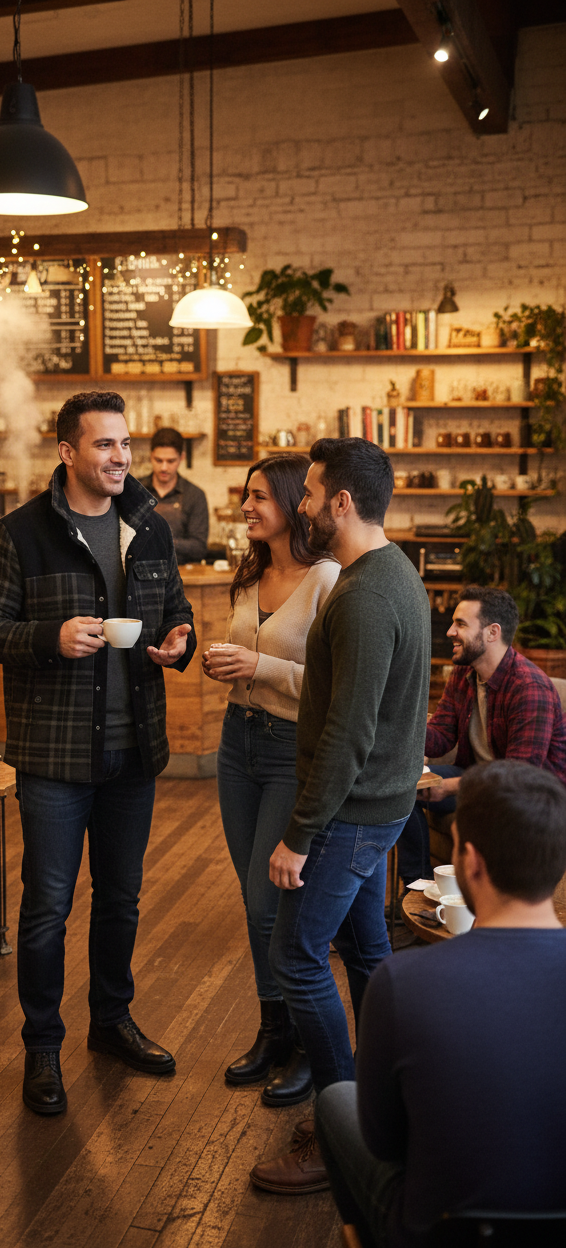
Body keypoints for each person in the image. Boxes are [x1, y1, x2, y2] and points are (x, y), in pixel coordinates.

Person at [0, 390, 196, 1115]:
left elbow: (177, 607)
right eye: (105, 445)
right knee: (48, 907)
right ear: (67, 452)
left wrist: (180, 640)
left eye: (124, 444)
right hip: (55, 757)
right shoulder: (20, 534)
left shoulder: (148, 526)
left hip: (134, 754)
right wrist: (49, 637)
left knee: (121, 900)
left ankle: (111, 1022)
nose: (121, 457)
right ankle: (41, 1047)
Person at [249, 437, 431, 1194]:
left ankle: (338, 1126)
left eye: (314, 493)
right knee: (363, 956)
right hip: (378, 810)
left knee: (295, 957)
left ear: (342, 505)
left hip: (351, 816)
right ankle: (391, 1106)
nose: (305, 506)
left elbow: (350, 736)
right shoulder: (396, 573)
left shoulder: (361, 597)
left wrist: (298, 835)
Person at [315, 759, 566, 1248]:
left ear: (470, 862)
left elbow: (384, 1143)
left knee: (334, 1100)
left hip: (443, 1231)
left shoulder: (400, 981)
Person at [202, 455, 339, 1104]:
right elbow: (249, 662)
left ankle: (307, 1041)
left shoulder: (329, 581)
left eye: (260, 496)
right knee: (252, 902)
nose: (248, 506)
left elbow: (333, 686)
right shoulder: (249, 574)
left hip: (291, 752)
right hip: (238, 746)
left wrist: (259, 666)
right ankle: (273, 1030)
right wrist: (225, 666)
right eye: (245, 495)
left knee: (267, 906)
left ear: (293, 503)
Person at [396, 585, 566, 885]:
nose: (449, 632)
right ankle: (418, 886)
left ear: (492, 632)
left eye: (460, 624)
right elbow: (440, 736)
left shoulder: (529, 687)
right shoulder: (465, 673)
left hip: (530, 797)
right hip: (477, 777)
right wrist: (398, 723)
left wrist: (448, 787)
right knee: (394, 785)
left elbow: (518, 775)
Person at [139, 426, 209, 564]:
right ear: (150, 456)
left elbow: (199, 547)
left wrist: (159, 541)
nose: (164, 467)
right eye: (158, 460)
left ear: (181, 457)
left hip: (180, 574)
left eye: (171, 461)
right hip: (139, 572)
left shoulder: (194, 495)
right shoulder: (136, 490)